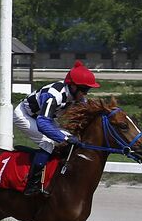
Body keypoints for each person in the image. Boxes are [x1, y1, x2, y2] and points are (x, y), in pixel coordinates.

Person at [14, 60, 98, 196]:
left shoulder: (76, 95)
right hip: (25, 115)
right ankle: (32, 186)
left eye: (88, 90)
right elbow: (42, 124)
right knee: (49, 142)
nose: (86, 94)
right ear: (74, 87)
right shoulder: (54, 96)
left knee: (69, 141)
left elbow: (88, 110)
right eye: (84, 89)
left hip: (45, 118)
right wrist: (65, 138)